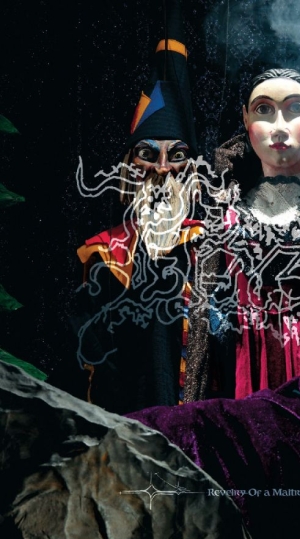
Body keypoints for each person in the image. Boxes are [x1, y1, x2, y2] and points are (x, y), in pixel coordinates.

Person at [182, 68, 300, 402]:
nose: (279, 127)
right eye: (264, 110)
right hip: (243, 362)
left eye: (295, 109)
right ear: (245, 119)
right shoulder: (224, 204)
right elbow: (203, 309)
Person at [74, 0, 202, 413]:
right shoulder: (103, 255)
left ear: (191, 171)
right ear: (129, 168)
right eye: (148, 154)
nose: (162, 169)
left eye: (176, 155)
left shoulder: (210, 248)